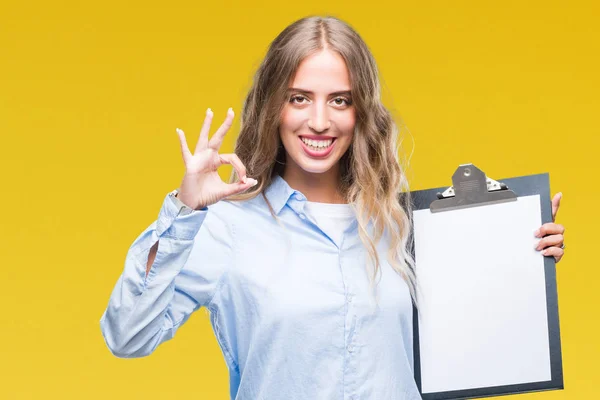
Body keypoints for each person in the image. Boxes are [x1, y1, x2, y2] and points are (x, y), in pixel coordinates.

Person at [99, 15, 566, 400]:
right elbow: (128, 337)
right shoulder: (225, 228)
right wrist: (184, 210)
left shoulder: (401, 226)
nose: (319, 121)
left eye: (339, 101)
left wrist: (518, 250)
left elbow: (467, 339)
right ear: (273, 107)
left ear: (360, 111)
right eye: (299, 98)